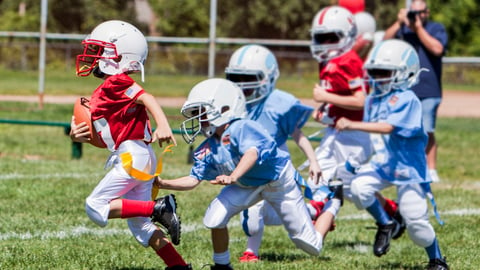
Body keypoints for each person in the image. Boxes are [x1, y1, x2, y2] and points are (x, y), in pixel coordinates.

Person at [155, 78, 343, 270]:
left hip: (279, 183)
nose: (199, 120)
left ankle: (332, 203)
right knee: (214, 218)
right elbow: (193, 180)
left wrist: (233, 176)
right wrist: (161, 183)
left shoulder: (242, 127)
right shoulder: (209, 147)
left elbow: (251, 153)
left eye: (201, 113)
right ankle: (222, 265)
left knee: (311, 246)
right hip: (246, 185)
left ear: (223, 108)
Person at [69, 20, 191, 270]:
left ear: (120, 55)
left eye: (99, 50)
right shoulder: (108, 89)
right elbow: (110, 138)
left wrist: (163, 124)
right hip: (137, 155)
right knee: (141, 226)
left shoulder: (116, 82)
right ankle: (179, 266)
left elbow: (147, 97)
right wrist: (78, 136)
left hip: (134, 157)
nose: (92, 55)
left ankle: (159, 208)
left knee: (95, 205)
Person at [335, 39, 449, 270]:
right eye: (374, 72)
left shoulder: (408, 99)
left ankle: (437, 260)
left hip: (408, 168)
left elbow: (388, 127)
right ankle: (387, 223)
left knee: (417, 224)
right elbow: (373, 136)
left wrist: (351, 125)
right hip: (384, 164)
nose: (377, 77)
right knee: (358, 188)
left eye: (384, 72)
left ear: (405, 74)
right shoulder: (374, 99)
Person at [308, 5, 404, 234]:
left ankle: (387, 217)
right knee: (319, 175)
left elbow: (361, 100)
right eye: (321, 37)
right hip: (337, 131)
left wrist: (325, 97)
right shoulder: (326, 60)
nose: (325, 43)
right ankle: (390, 210)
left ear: (346, 36)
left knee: (346, 183)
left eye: (331, 37)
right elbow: (338, 94)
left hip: (355, 134)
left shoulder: (349, 61)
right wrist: (324, 107)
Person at [224, 44, 323, 262]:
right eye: (236, 79)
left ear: (267, 78)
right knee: (253, 215)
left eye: (248, 79)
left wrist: (313, 161)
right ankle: (252, 251)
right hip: (249, 170)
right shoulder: (233, 104)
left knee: (282, 217)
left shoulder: (278, 104)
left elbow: (298, 134)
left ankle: (312, 212)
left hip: (278, 171)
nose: (241, 86)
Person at [383, 0, 448, 182]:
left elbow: (437, 49)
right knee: (400, 128)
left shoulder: (435, 28)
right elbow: (383, 43)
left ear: (427, 12)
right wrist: (399, 22)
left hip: (429, 90)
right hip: (403, 88)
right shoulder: (402, 29)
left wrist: (418, 28)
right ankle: (402, 165)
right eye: (414, 13)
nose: (417, 16)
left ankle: (431, 169)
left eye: (420, 13)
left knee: (427, 130)